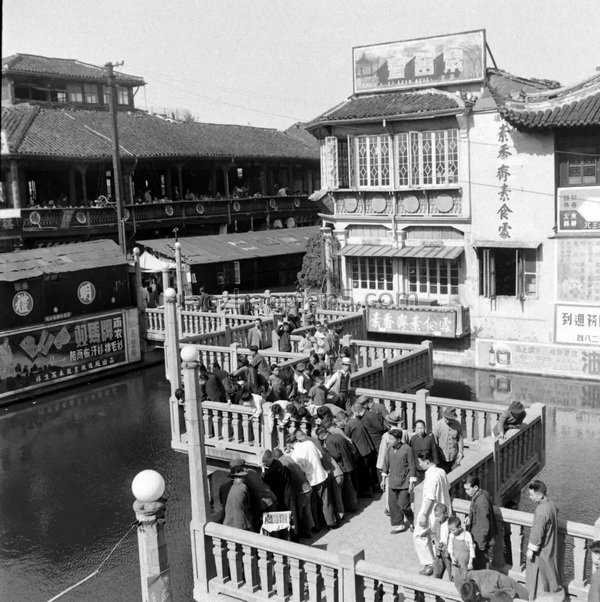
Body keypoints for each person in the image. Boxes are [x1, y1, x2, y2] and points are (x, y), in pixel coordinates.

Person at [289, 430, 338, 531]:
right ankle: (331, 522)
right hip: (320, 475)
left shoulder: (294, 455)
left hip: (310, 480)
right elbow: (320, 455)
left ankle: (317, 526)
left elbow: (300, 470)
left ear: (289, 444)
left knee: (313, 505)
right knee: (326, 501)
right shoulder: (309, 443)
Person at [413, 450, 452, 576]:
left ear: (427, 461)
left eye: (420, 462)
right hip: (444, 508)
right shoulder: (441, 471)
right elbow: (448, 487)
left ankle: (429, 563)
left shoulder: (430, 476)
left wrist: (423, 514)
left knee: (419, 534)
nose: (419, 465)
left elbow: (430, 497)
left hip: (432, 511)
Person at [526, 480, 562, 601]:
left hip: (542, 551)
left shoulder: (541, 511)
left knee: (539, 578)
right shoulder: (551, 504)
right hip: (551, 546)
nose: (530, 498)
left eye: (532, 495)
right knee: (551, 572)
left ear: (540, 495)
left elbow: (537, 533)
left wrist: (531, 549)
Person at [273, 447, 315, 538]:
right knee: (307, 511)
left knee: (300, 513)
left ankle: (306, 532)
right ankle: (311, 529)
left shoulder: (281, 463)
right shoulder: (289, 458)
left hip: (300, 490)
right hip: (307, 487)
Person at [381, 428, 416, 533]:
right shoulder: (389, 449)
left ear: (398, 439)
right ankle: (399, 524)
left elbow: (412, 466)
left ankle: (412, 521)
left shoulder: (407, 449)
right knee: (393, 504)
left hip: (404, 483)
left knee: (403, 505)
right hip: (392, 482)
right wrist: (383, 479)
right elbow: (385, 464)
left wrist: (411, 483)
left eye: (391, 439)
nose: (389, 441)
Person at [344, 402, 377, 498]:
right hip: (368, 449)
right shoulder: (357, 421)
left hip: (362, 452)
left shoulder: (349, 425)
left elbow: (346, 437)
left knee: (363, 473)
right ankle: (373, 487)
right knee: (369, 471)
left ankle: (367, 492)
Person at [464, 475, 497, 570]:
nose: (466, 492)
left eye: (467, 489)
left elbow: (484, 526)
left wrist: (480, 545)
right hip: (480, 538)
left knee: (481, 566)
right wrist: (470, 516)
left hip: (481, 541)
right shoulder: (481, 493)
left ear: (475, 487)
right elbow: (473, 508)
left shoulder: (482, 503)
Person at [433, 407, 464, 473]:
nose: (448, 421)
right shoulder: (438, 425)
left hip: (454, 457)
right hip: (442, 458)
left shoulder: (457, 425)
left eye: (450, 419)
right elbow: (434, 442)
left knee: (455, 475)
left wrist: (460, 452)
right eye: (446, 418)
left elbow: (460, 439)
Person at [223, 466, 253, 531]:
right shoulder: (243, 487)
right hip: (240, 522)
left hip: (228, 522)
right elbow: (248, 505)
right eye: (242, 477)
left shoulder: (232, 487)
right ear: (236, 478)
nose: (244, 479)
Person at [431, 502, 452, 579]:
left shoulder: (451, 523)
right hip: (439, 552)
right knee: (437, 572)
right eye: (436, 516)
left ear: (446, 514)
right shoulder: (437, 522)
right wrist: (435, 542)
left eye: (439, 516)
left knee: (451, 572)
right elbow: (432, 533)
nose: (437, 518)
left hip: (448, 553)